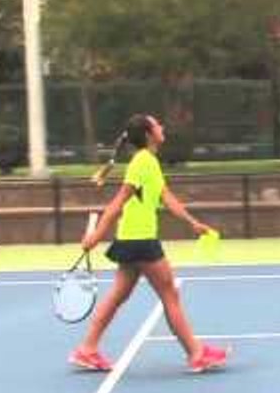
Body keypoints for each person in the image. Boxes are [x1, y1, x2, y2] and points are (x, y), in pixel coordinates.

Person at [69, 113, 230, 374]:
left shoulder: (149, 162)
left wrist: (192, 223)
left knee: (118, 296)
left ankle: (87, 349)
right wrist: (96, 236)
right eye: (157, 125)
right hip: (140, 239)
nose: (162, 127)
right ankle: (196, 353)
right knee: (170, 294)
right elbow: (118, 202)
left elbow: (166, 197)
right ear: (148, 134)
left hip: (132, 238)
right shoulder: (141, 163)